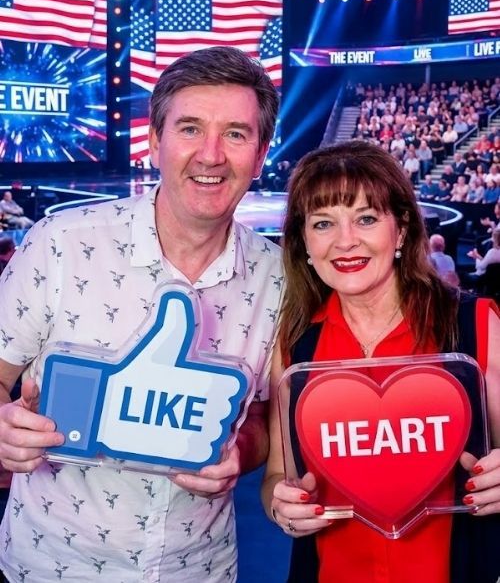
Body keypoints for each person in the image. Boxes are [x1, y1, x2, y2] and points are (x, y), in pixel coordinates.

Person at [0, 46, 283, 582]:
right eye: (190, 129)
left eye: (236, 134)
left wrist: (239, 451)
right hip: (50, 568)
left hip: (199, 569)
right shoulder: (60, 244)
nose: (211, 155)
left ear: (261, 152)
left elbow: (264, 419)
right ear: (154, 140)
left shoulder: (279, 278)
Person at [262, 140, 500, 583]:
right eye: (323, 223)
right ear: (304, 242)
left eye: (366, 218)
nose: (345, 241)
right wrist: (281, 505)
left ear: (402, 229)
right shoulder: (295, 347)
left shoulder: (476, 326)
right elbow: (278, 472)